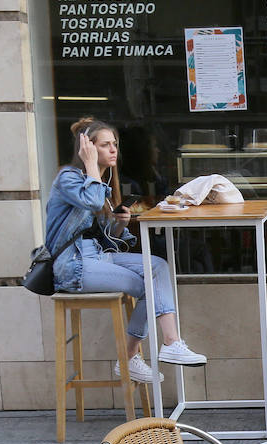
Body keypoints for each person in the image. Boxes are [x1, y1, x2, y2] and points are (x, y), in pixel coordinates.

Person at [45, 117, 205, 384]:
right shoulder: (69, 178)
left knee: (158, 266)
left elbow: (107, 238)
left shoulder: (97, 181)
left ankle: (171, 342)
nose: (113, 150)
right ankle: (130, 358)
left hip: (96, 255)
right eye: (105, 145)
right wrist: (89, 165)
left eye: (115, 144)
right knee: (146, 286)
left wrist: (118, 225)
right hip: (71, 264)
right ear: (88, 148)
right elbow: (92, 199)